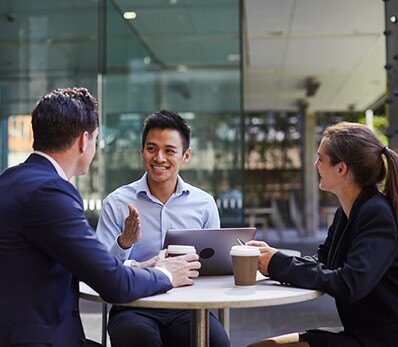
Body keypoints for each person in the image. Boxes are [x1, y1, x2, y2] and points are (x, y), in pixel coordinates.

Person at [0, 88, 201, 347]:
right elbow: (112, 284)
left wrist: (142, 265)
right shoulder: (51, 192)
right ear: (84, 141)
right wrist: (165, 273)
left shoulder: (10, 179)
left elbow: (90, 268)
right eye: (96, 139)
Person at [247, 122, 398, 347]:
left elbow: (350, 283)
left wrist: (277, 264)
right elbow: (323, 262)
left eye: (320, 158)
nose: (315, 164)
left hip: (378, 340)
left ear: (341, 168)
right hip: (358, 334)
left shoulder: (376, 213)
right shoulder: (346, 212)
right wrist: (274, 257)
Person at [96, 109, 230, 347]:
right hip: (134, 306)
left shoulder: (204, 204)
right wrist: (124, 242)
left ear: (185, 156)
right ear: (142, 152)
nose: (159, 157)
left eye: (169, 150)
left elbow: (213, 267)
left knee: (217, 343)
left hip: (189, 308)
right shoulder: (117, 202)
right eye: (151, 148)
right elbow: (100, 271)